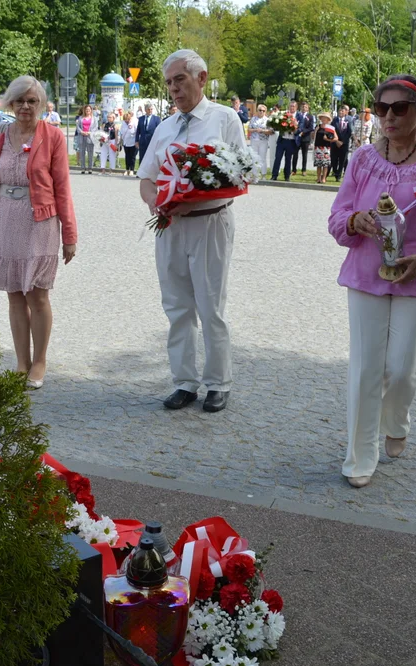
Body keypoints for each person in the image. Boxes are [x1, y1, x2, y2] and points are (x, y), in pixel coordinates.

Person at [327, 74, 416, 489]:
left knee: (401, 367)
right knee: (365, 367)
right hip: (366, 274)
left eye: (399, 108)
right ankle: (359, 455)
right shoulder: (363, 160)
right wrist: (356, 220)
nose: (388, 116)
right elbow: (337, 219)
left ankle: (397, 419)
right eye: (382, 108)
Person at [137, 49, 245, 414]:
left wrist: (194, 198)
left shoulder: (225, 118)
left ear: (201, 78)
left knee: (211, 305)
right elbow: (146, 177)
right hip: (170, 225)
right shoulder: (165, 126)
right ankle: (184, 382)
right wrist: (156, 202)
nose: (173, 89)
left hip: (210, 223)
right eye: (168, 82)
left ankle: (219, 382)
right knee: (176, 306)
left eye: (179, 80)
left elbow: (240, 174)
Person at [0, 75, 78, 390]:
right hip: (4, 219)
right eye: (19, 100)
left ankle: (40, 361)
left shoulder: (53, 137)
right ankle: (21, 362)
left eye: (32, 101)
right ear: (10, 102)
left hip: (40, 222)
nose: (25, 107)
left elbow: (63, 187)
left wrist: (70, 234)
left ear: (42, 105)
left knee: (38, 294)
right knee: (14, 296)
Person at [271, 100, 299, 181]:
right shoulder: (284, 114)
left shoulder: (298, 116)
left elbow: (300, 128)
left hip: (291, 140)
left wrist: (295, 127)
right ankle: (274, 175)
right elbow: (278, 124)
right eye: (291, 106)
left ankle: (287, 176)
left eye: (293, 106)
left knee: (288, 159)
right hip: (282, 139)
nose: (292, 108)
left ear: (296, 107)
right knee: (278, 158)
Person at [248, 104, 272, 179]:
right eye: (260, 110)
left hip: (263, 141)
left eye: (263, 111)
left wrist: (262, 130)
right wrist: (255, 130)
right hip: (254, 140)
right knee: (254, 158)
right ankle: (255, 174)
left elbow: (270, 131)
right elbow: (249, 129)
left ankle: (263, 175)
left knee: (262, 158)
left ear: (265, 112)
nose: (261, 112)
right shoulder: (253, 119)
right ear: (257, 111)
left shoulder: (267, 120)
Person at [314, 111, 337, 184]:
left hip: (326, 147)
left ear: (328, 120)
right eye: (323, 118)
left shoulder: (330, 128)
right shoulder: (318, 126)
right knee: (319, 164)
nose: (324, 120)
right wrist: (315, 131)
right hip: (318, 146)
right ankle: (318, 178)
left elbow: (336, 138)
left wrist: (328, 139)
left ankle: (324, 178)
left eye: (325, 118)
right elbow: (313, 136)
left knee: (325, 164)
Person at [331, 105, 353, 181]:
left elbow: (349, 132)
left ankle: (339, 175)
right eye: (339, 111)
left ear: (345, 112)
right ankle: (335, 171)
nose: (340, 112)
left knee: (342, 160)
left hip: (344, 143)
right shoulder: (334, 120)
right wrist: (336, 141)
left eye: (342, 111)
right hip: (335, 143)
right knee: (333, 160)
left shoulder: (348, 120)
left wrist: (343, 142)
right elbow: (331, 131)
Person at [135, 103, 161, 167]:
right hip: (143, 141)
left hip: (152, 141)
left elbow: (159, 131)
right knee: (142, 157)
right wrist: (136, 140)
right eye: (148, 109)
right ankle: (141, 173)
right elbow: (138, 131)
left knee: (151, 158)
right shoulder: (141, 119)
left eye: (151, 109)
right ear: (145, 110)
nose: (150, 111)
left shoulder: (156, 119)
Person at [293, 102, 315, 175]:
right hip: (297, 137)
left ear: (308, 108)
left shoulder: (310, 116)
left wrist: (303, 132)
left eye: (305, 107)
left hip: (305, 138)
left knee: (304, 154)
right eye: (302, 107)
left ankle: (304, 170)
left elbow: (311, 128)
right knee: (295, 154)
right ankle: (294, 170)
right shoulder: (297, 115)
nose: (304, 108)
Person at [74, 104, 97, 173]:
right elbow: (77, 127)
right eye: (86, 110)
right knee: (82, 153)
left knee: (90, 153)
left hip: (90, 137)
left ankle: (90, 168)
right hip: (82, 136)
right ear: (84, 110)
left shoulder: (94, 118)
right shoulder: (80, 118)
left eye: (89, 110)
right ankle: (83, 168)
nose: (88, 111)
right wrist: (82, 132)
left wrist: (90, 132)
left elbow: (95, 127)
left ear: (91, 110)